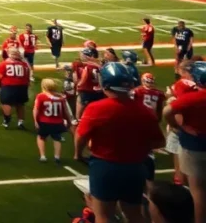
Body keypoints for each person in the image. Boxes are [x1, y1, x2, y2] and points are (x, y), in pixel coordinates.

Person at [77, 62, 164, 223]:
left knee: (103, 215)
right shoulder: (145, 110)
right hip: (135, 166)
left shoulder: (96, 108)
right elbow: (159, 142)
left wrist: (78, 154)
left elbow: (81, 137)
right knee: (134, 214)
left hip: (105, 166)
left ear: (105, 84)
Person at [164, 62, 206, 223]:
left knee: (198, 190)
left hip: (194, 145)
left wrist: (179, 126)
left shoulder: (192, 97)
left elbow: (168, 111)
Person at [33, 78, 72, 165]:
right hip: (57, 122)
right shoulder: (60, 98)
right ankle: (57, 157)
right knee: (57, 139)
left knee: (41, 137)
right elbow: (65, 111)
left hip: (44, 122)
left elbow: (36, 109)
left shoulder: (41, 96)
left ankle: (43, 156)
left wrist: (35, 120)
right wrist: (69, 121)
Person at [0, 48, 32, 129]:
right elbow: (27, 77)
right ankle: (21, 121)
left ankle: (7, 120)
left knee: (6, 103)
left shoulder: (4, 64)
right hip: (22, 86)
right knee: (20, 104)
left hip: (8, 86)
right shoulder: (24, 65)